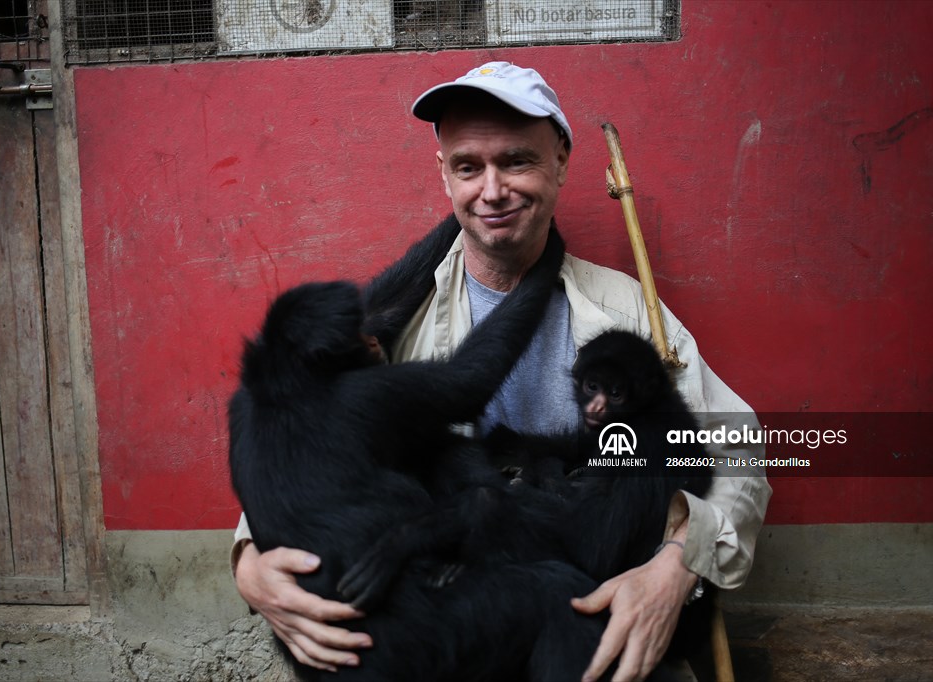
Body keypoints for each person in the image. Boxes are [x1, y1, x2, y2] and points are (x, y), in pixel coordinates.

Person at [232, 62, 771, 681]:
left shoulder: (629, 311)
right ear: (444, 175)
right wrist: (250, 560)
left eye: (516, 161)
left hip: (587, 612)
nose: (492, 191)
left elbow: (737, 448)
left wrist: (678, 563)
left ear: (561, 162)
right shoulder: (381, 328)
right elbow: (301, 457)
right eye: (468, 167)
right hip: (443, 619)